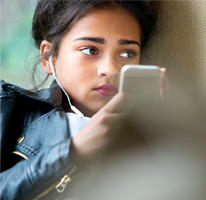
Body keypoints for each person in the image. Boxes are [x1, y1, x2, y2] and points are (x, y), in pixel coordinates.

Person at [0, 1, 167, 199]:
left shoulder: (152, 133)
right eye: (90, 50)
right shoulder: (9, 107)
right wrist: (73, 151)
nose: (111, 69)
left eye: (127, 53)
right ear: (48, 57)